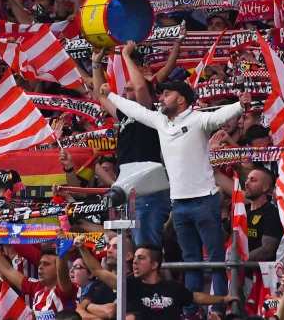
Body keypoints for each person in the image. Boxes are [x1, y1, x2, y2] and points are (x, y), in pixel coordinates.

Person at [99, 80, 251, 312]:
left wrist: (240, 106)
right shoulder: (160, 121)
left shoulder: (197, 119)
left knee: (216, 261)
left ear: (181, 99)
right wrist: (111, 95)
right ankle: (189, 313)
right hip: (178, 204)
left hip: (205, 200)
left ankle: (220, 312)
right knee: (191, 262)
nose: (161, 98)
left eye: (167, 94)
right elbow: (136, 111)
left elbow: (218, 117)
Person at [92, 42, 170, 247]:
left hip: (148, 190)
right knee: (137, 248)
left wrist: (126, 55)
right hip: (130, 189)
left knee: (146, 248)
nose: (126, 92)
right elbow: (99, 95)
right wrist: (95, 64)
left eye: (128, 89)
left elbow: (140, 86)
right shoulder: (124, 114)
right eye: (124, 89)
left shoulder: (149, 113)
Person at [73, 236, 238, 318]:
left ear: (154, 265)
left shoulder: (173, 287)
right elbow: (98, 271)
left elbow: (195, 297)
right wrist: (82, 248)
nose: (135, 262)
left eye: (141, 258)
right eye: (135, 257)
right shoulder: (129, 284)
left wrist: (222, 300)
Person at [0, 244, 77, 315]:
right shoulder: (36, 288)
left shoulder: (65, 289)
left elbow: (63, 276)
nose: (40, 267)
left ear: (58, 268)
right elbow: (7, 269)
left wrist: (61, 254)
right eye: (40, 263)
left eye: (46, 264)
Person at [244, 166, 283, 261]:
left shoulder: (272, 214)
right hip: (237, 271)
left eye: (253, 180)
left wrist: (239, 261)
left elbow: (267, 251)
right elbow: (223, 235)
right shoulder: (242, 210)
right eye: (247, 179)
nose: (246, 183)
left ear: (265, 187)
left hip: (258, 273)